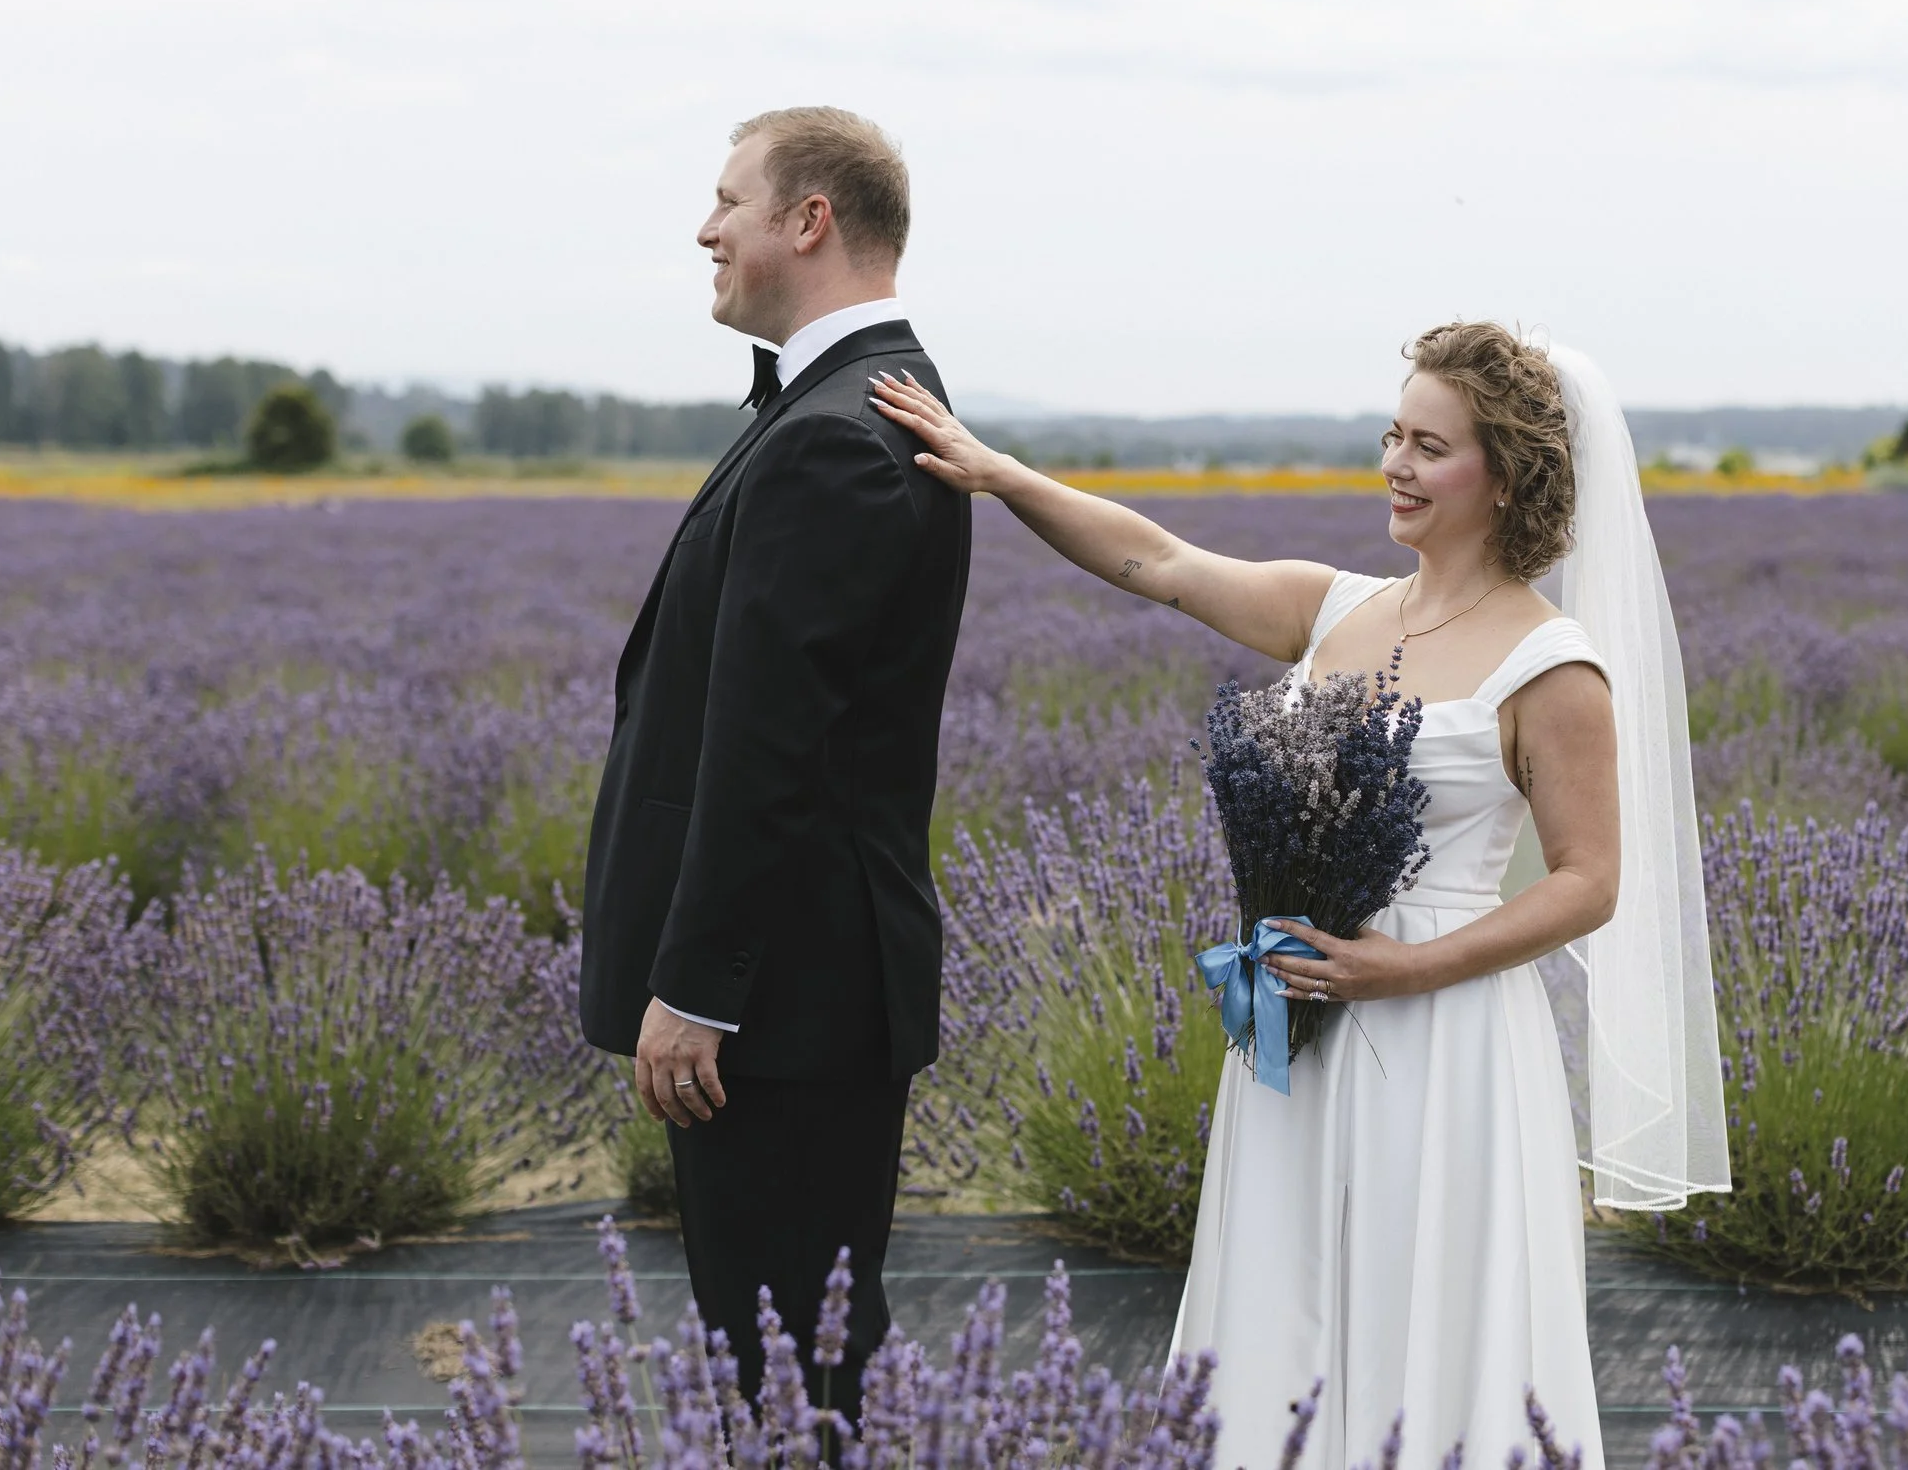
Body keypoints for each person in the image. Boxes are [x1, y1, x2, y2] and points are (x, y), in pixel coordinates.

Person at [871, 322, 1727, 1468]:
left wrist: (1404, 967)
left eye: (1430, 445)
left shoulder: (1552, 663)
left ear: (1508, 475)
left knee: (1421, 1304)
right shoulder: (1338, 610)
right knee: (1284, 1295)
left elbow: (1590, 882)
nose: (1396, 465)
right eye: (1392, 434)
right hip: (1294, 1029)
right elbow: (1160, 565)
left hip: (1446, 1039)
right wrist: (998, 472)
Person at [579, 107, 971, 1414]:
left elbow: (772, 752)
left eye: (728, 201)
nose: (705, 228)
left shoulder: (832, 437)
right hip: (794, 993)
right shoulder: (845, 408)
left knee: (793, 1376)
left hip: (785, 1007)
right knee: (786, 1370)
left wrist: (700, 987)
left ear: (809, 221)